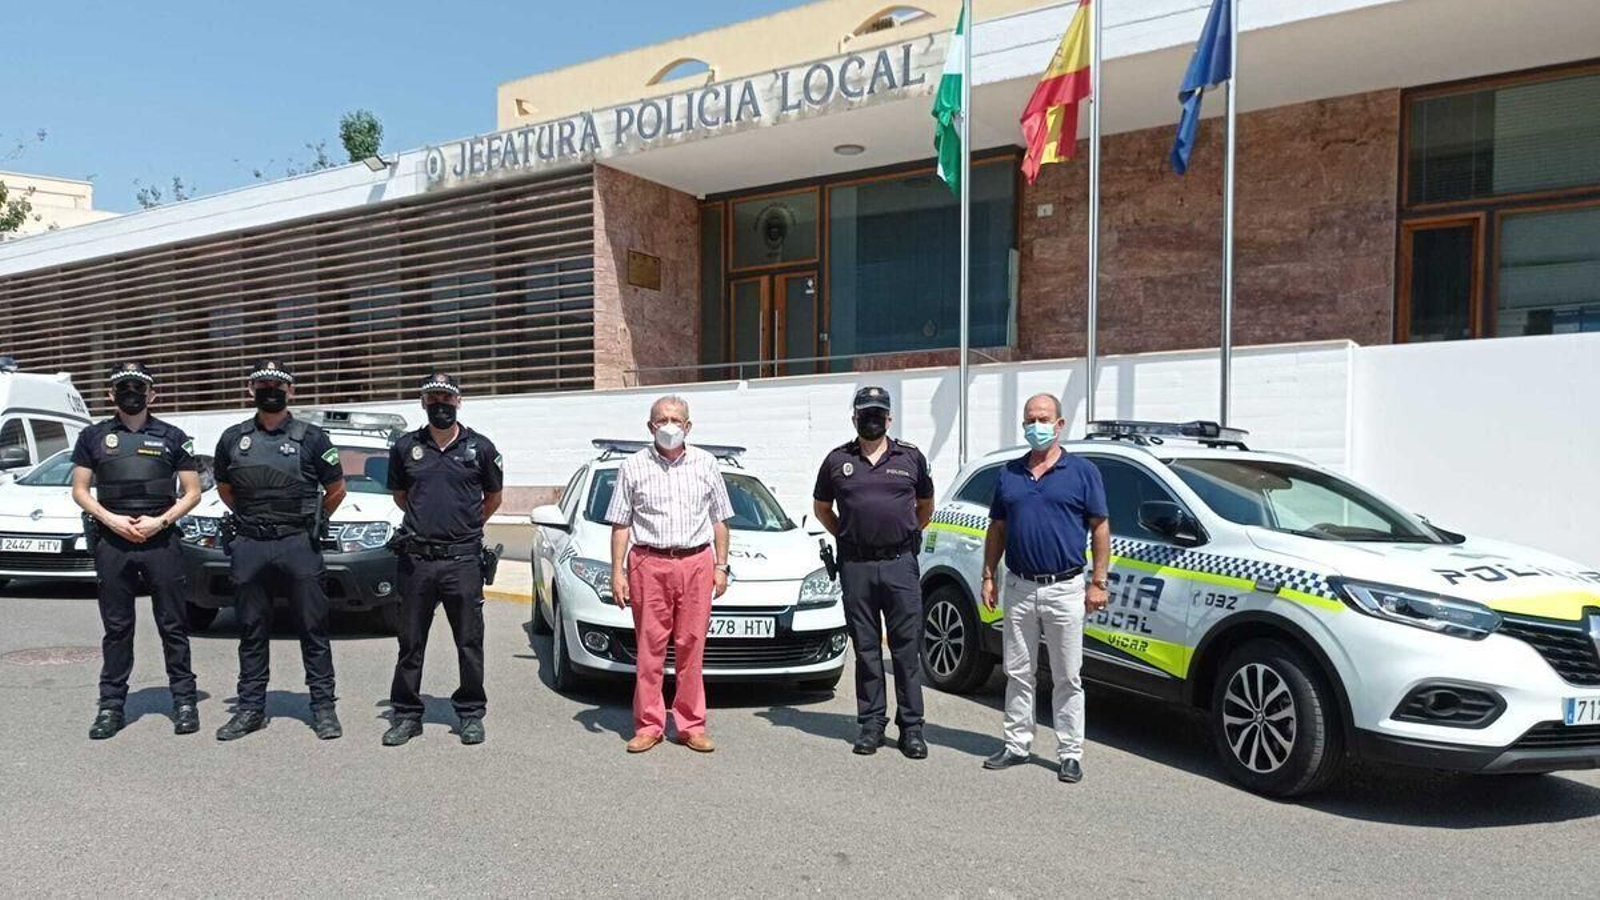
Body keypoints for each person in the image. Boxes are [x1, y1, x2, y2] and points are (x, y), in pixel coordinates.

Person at [211, 360, 347, 742]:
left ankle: (323, 708)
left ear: (291, 390)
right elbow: (225, 488)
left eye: (278, 384)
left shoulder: (313, 437)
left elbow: (336, 489)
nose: (270, 389)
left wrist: (309, 523)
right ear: (250, 389)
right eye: (263, 384)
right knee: (252, 629)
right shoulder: (233, 438)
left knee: (313, 628)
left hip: (297, 543)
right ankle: (251, 709)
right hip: (251, 542)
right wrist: (251, 519)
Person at [70, 362, 204, 740]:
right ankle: (111, 706)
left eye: (139, 386)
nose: (132, 392)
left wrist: (158, 522)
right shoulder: (93, 436)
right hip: (113, 541)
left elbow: (192, 492)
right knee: (117, 629)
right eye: (123, 387)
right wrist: (111, 520)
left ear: (152, 394)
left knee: (173, 625)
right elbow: (80, 489)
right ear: (111, 394)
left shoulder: (173, 436)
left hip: (160, 540)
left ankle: (184, 702)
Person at [980, 393, 1110, 783]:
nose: (1036, 425)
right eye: (1030, 419)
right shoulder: (1009, 473)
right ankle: (1017, 744)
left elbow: (1100, 528)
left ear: (1059, 424)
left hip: (1065, 588)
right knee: (1018, 671)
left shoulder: (1083, 472)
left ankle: (1070, 752)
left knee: (1068, 675)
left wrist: (1099, 582)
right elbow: (997, 529)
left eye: (1043, 418)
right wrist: (989, 574)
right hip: (1019, 587)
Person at [605, 395, 733, 754]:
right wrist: (618, 574)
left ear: (689, 426)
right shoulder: (632, 467)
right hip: (649, 564)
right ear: (650, 426)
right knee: (650, 649)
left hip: (696, 563)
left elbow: (720, 520)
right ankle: (649, 724)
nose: (669, 426)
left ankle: (691, 725)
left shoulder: (707, 464)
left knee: (692, 647)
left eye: (676, 419)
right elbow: (620, 525)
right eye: (662, 420)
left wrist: (721, 566)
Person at [381, 373, 504, 747]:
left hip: (463, 562)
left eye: (447, 398)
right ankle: (406, 714)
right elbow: (402, 496)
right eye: (433, 397)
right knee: (410, 641)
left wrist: (465, 528)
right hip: (417, 561)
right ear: (422, 402)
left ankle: (470, 713)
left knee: (469, 641)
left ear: (459, 402)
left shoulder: (480, 448)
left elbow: (493, 497)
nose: (440, 404)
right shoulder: (405, 447)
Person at [812, 386, 934, 758]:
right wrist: (850, 537)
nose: (872, 418)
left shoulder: (910, 458)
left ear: (889, 418)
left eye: (878, 413)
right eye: (866, 412)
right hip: (856, 565)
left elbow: (925, 507)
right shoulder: (837, 461)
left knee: (905, 650)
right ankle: (871, 724)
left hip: (900, 564)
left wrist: (904, 534)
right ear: (855, 417)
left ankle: (911, 728)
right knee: (865, 648)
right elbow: (822, 509)